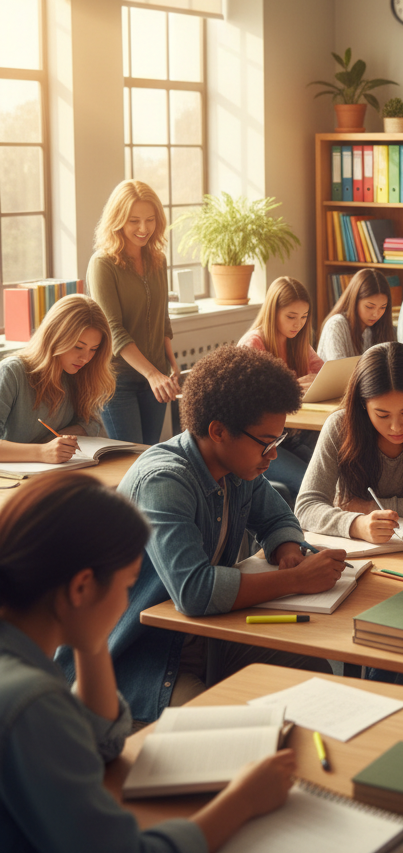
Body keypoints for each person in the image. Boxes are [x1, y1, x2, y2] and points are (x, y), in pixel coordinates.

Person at [0, 473, 295, 853]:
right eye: (127, 586)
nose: (126, 604)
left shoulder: (24, 666)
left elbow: (99, 742)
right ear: (81, 587)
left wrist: (91, 640)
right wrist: (244, 800)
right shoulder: (32, 701)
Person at [62, 344, 347, 723]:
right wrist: (296, 579)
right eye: (267, 442)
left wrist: (288, 549)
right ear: (218, 431)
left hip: (206, 638)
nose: (274, 455)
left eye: (278, 441)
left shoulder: (238, 468)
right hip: (142, 659)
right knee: (221, 731)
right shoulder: (164, 481)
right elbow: (195, 592)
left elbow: (278, 519)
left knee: (314, 677)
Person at [296, 342, 403, 542]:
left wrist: (368, 507)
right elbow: (306, 507)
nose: (396, 427)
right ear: (363, 405)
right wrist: (357, 525)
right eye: (382, 415)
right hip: (358, 548)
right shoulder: (340, 426)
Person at [88, 180, 180, 445]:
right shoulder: (102, 264)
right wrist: (153, 374)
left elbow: (162, 317)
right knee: (130, 460)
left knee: (148, 456)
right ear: (117, 220)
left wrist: (171, 364)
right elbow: (113, 330)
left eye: (150, 220)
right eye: (134, 221)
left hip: (157, 375)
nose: (143, 229)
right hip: (118, 381)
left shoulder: (158, 259)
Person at [238, 276, 325, 503]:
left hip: (289, 437)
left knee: (328, 480)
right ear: (272, 312)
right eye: (291, 317)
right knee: (310, 483)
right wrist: (289, 389)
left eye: (304, 317)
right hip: (257, 444)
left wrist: (315, 381)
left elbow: (325, 374)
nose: (298, 324)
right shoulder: (253, 344)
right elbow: (245, 402)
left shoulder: (296, 341)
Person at [0, 294, 114, 463]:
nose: (86, 358)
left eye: (93, 349)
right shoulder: (12, 372)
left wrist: (57, 439)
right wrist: (41, 451)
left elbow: (91, 423)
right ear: (54, 337)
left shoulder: (79, 374)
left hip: (54, 472)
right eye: (78, 347)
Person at [317, 267, 395, 361]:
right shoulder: (336, 325)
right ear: (354, 301)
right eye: (369, 307)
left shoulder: (377, 328)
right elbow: (340, 372)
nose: (376, 314)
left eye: (383, 307)